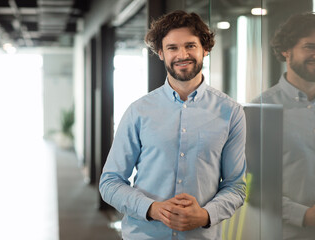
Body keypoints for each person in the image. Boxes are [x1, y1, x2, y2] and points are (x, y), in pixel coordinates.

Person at [99, 10, 246, 240]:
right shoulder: (138, 111)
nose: (182, 54)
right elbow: (110, 182)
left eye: (190, 46)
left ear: (205, 49)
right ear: (160, 53)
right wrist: (152, 208)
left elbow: (235, 186)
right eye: (172, 48)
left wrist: (206, 215)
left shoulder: (231, 112)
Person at [253, 12, 315, 239]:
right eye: (309, 46)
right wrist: (305, 215)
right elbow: (250, 187)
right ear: (286, 50)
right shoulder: (261, 109)